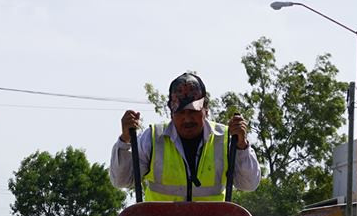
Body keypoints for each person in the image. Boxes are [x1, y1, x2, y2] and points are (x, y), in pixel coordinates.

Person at [110, 72, 260, 201]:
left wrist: (241, 146)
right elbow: (121, 181)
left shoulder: (226, 138)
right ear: (171, 112)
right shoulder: (153, 138)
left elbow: (249, 184)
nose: (187, 119)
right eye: (181, 113)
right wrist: (125, 139)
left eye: (193, 112)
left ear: (206, 109)